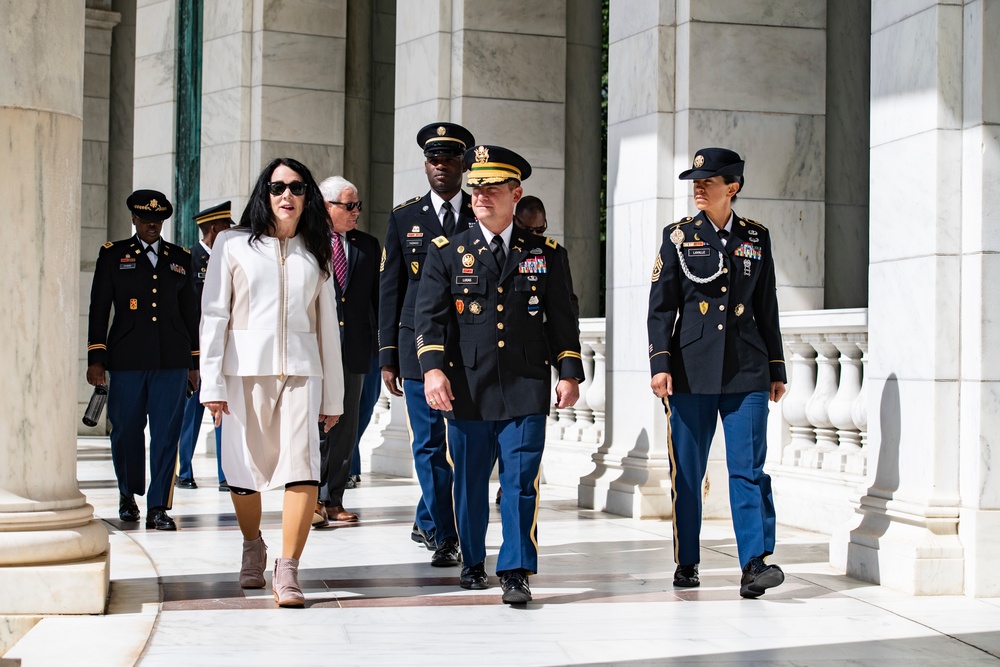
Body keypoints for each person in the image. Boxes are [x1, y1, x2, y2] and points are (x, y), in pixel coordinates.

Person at [416, 145, 583, 604]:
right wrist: (432, 371)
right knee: (470, 482)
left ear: (516, 193)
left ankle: (515, 569)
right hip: (468, 385)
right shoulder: (448, 252)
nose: (481, 195)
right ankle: (473, 560)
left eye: (492, 188)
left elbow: (562, 320)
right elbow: (430, 320)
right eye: (476, 188)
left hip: (526, 383)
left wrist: (568, 372)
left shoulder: (546, 253)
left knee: (520, 481)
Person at [200, 157, 344, 607]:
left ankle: (288, 567)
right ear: (265, 192)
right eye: (278, 186)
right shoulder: (232, 243)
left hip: (303, 373)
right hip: (243, 372)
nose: (288, 195)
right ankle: (251, 543)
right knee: (242, 472)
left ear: (308, 198)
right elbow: (214, 314)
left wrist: (334, 394)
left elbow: (327, 329)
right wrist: (211, 383)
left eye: (298, 188)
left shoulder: (316, 249)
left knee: (303, 468)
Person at [647, 147, 787, 599]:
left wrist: (776, 366)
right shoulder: (677, 236)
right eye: (695, 181)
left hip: (747, 369)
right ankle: (687, 560)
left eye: (708, 181)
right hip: (690, 372)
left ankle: (754, 563)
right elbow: (660, 308)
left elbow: (767, 305)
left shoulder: (756, 237)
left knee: (749, 469)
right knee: (688, 472)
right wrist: (659, 364)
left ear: (734, 187)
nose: (698, 187)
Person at [378, 122, 476, 568]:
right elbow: (390, 288)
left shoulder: (481, 211)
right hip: (416, 346)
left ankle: (430, 517)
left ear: (463, 164)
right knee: (428, 445)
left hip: (471, 347)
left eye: (450, 159)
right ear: (425, 165)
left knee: (465, 443)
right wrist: (387, 356)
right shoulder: (405, 217)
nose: (441, 166)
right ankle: (446, 534)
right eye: (434, 159)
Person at [86, 189, 200, 531]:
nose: (153, 225)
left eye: (158, 220)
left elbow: (190, 313)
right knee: (125, 431)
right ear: (134, 220)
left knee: (167, 434)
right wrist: (96, 357)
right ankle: (127, 494)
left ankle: (158, 507)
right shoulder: (113, 255)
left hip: (171, 362)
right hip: (126, 360)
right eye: (146, 219)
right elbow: (99, 308)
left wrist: (193, 363)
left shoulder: (179, 256)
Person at [312, 176, 380, 526]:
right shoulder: (304, 244)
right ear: (327, 207)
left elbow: (376, 301)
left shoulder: (368, 246)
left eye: (358, 206)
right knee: (312, 425)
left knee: (346, 426)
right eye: (349, 206)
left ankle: (333, 498)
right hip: (314, 350)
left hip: (353, 350)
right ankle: (308, 497)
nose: (357, 213)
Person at [176, 201, 233, 492]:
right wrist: (190, 359)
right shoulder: (187, 260)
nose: (231, 230)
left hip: (225, 352)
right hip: (196, 354)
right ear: (214, 229)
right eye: (227, 226)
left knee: (225, 411)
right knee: (190, 416)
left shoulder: (230, 258)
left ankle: (226, 474)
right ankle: (184, 470)